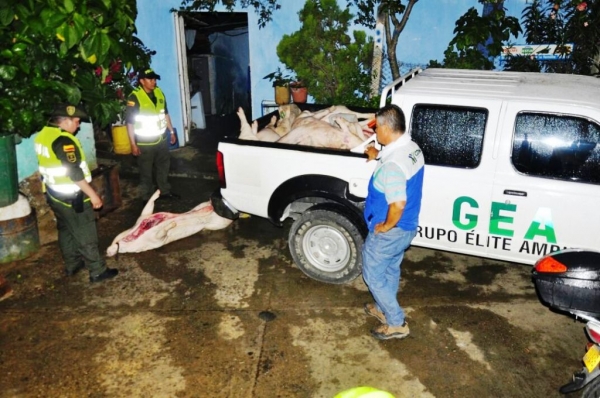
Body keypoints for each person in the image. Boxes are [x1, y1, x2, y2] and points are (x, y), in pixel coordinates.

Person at [34, 104, 118, 283]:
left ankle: (72, 264)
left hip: (53, 193)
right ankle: (97, 271)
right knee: (85, 232)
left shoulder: (43, 134)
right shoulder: (64, 141)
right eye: (76, 121)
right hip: (71, 196)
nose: (78, 126)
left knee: (65, 228)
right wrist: (93, 195)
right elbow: (74, 173)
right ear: (65, 120)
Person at [361, 104, 425, 340]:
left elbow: (397, 203)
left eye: (377, 128)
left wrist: (385, 226)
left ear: (388, 127)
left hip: (392, 231)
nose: (375, 133)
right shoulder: (411, 148)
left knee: (372, 275)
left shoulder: (393, 165)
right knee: (389, 269)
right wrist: (376, 157)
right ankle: (383, 307)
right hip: (407, 228)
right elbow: (397, 169)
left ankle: (397, 322)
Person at [125, 68, 180, 201]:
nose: (153, 82)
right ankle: (146, 198)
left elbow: (165, 114)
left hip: (162, 139)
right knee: (146, 172)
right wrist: (133, 144)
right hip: (145, 143)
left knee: (163, 167)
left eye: (154, 79)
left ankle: (165, 192)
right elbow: (130, 123)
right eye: (150, 79)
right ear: (142, 81)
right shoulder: (135, 97)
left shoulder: (159, 93)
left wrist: (171, 131)